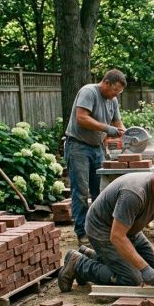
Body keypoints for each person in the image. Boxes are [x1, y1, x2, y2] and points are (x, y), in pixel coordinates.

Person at [57, 162, 154, 290]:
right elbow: (117, 236)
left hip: (129, 230)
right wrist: (143, 269)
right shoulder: (134, 193)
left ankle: (92, 256)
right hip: (102, 229)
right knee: (133, 278)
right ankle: (78, 264)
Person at [64, 69, 127, 245]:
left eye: (119, 92)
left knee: (100, 191)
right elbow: (81, 119)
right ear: (106, 83)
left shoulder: (112, 100)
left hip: (97, 148)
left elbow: (117, 123)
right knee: (81, 192)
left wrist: (126, 133)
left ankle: (98, 229)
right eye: (114, 90)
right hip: (78, 147)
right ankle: (82, 233)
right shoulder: (88, 92)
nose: (116, 94)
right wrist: (107, 129)